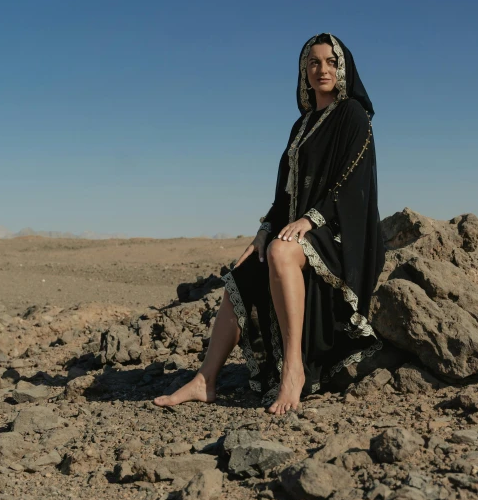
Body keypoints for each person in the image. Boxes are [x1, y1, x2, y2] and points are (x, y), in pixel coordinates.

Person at [154, 33, 385, 415]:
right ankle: (204, 380)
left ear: (342, 68)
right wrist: (263, 230)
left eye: (330, 61)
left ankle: (293, 370)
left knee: (281, 250)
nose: (322, 69)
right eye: (313, 62)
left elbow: (353, 181)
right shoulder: (302, 126)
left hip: (342, 231)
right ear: (303, 71)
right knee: (246, 267)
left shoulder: (353, 115)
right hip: (302, 227)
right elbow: (286, 194)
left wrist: (312, 219)